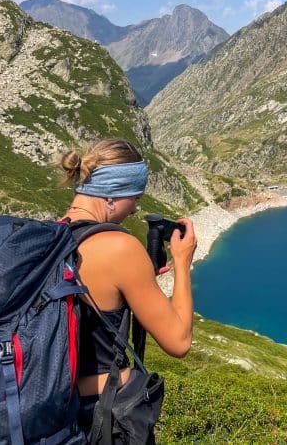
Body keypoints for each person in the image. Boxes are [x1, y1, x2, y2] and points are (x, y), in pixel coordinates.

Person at [58, 138, 196, 440]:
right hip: (95, 418)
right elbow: (179, 342)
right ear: (112, 195)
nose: (135, 209)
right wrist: (182, 263)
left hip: (50, 411)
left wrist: (139, 280)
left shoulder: (53, 234)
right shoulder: (119, 248)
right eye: (134, 197)